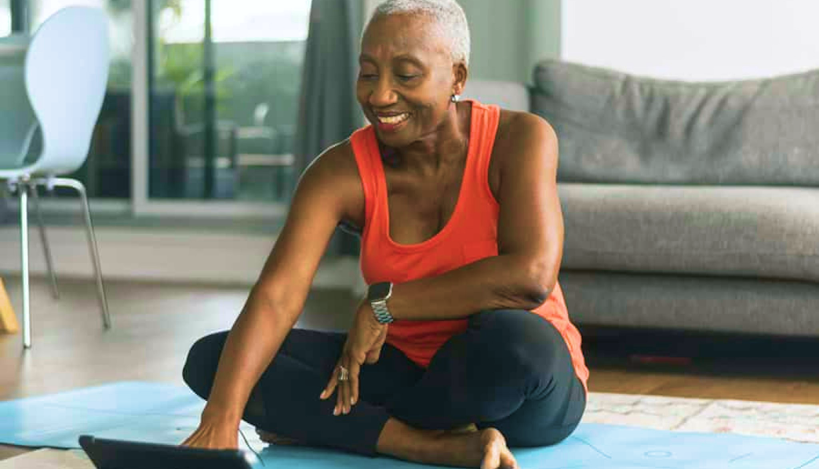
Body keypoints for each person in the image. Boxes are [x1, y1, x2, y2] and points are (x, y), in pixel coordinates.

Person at [181, 1, 588, 467]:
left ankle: (343, 429)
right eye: (368, 73)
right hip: (404, 371)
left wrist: (385, 304)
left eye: (406, 74)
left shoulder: (521, 139)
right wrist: (221, 421)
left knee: (519, 341)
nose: (380, 96)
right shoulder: (338, 172)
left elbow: (530, 277)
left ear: (456, 77)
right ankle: (434, 444)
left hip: (520, 388)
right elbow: (278, 295)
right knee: (214, 361)